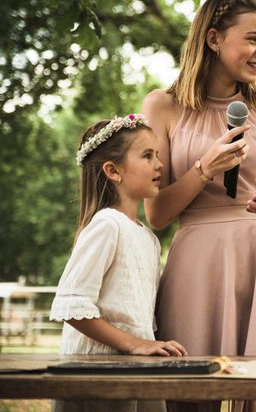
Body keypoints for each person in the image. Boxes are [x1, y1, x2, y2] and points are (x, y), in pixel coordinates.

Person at [142, 0, 256, 412]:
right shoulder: (161, 107)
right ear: (214, 39)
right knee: (189, 396)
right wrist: (203, 168)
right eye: (253, 39)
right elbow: (157, 215)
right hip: (196, 265)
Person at [50, 113, 187, 412]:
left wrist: (145, 345)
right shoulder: (106, 225)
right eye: (147, 156)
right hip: (98, 374)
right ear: (113, 170)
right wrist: (134, 344)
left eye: (158, 156)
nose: (160, 165)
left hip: (137, 370)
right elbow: (72, 305)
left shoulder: (148, 238)